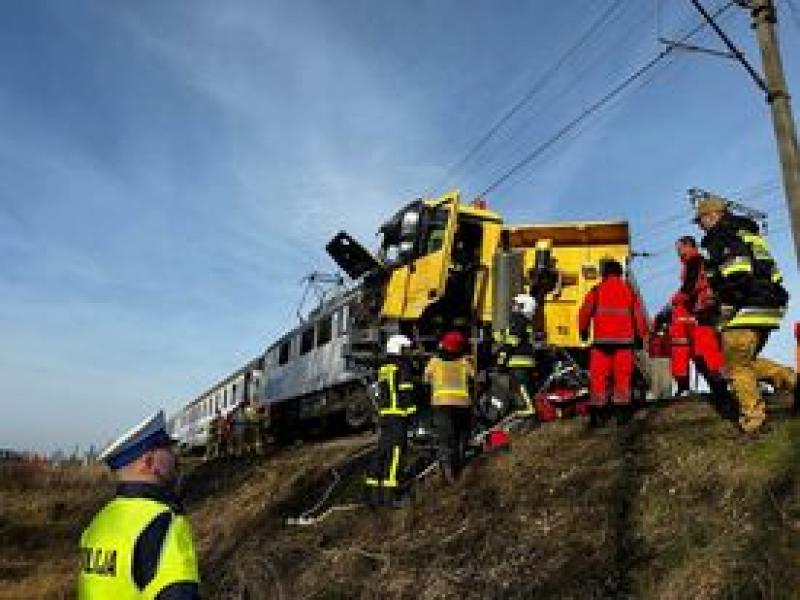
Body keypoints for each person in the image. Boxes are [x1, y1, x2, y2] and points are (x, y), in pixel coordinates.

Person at [695, 195, 798, 433]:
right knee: (743, 361)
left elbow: (738, 272)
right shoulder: (748, 233)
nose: (701, 226)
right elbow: (770, 274)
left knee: (736, 366)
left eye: (701, 221)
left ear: (713, 216)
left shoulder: (724, 235)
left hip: (747, 305)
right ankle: (792, 380)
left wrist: (722, 301)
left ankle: (754, 420)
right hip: (769, 305)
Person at [78, 410, 200, 599]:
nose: (176, 458)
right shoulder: (163, 521)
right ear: (149, 462)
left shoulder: (98, 522)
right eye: (168, 449)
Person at [578, 258, 649, 427]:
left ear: (604, 273)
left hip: (601, 343)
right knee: (622, 377)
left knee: (598, 377)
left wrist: (583, 330)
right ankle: (622, 414)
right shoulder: (628, 291)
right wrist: (640, 337)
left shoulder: (596, 290)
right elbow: (638, 316)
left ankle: (598, 415)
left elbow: (585, 312)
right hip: (625, 343)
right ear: (619, 272)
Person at [668, 236, 728, 400]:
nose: (679, 253)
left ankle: (721, 389)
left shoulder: (694, 261)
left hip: (706, 310)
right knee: (706, 351)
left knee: (706, 351)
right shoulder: (698, 262)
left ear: (689, 246)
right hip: (706, 309)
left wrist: (673, 301)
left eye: (680, 249)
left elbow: (689, 288)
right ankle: (720, 389)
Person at [365, 334, 417, 507]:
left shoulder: (384, 367)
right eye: (406, 349)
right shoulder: (403, 366)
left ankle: (373, 495)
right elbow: (405, 391)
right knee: (396, 453)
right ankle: (391, 496)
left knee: (381, 452)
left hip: (385, 415)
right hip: (397, 416)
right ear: (399, 348)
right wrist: (411, 415)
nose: (408, 352)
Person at [424, 330, 474, 482]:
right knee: (461, 436)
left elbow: (426, 379)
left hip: (441, 404)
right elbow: (474, 377)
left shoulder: (435, 362)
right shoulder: (464, 362)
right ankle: (459, 465)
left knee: (445, 439)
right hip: (462, 404)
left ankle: (447, 471)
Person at [496, 294, 538, 418]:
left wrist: (502, 356)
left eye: (518, 305)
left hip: (519, 358)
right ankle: (525, 405)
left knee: (521, 383)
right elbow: (507, 334)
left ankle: (529, 407)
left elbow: (513, 339)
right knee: (520, 383)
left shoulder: (518, 319)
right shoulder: (523, 320)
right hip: (524, 358)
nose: (514, 307)